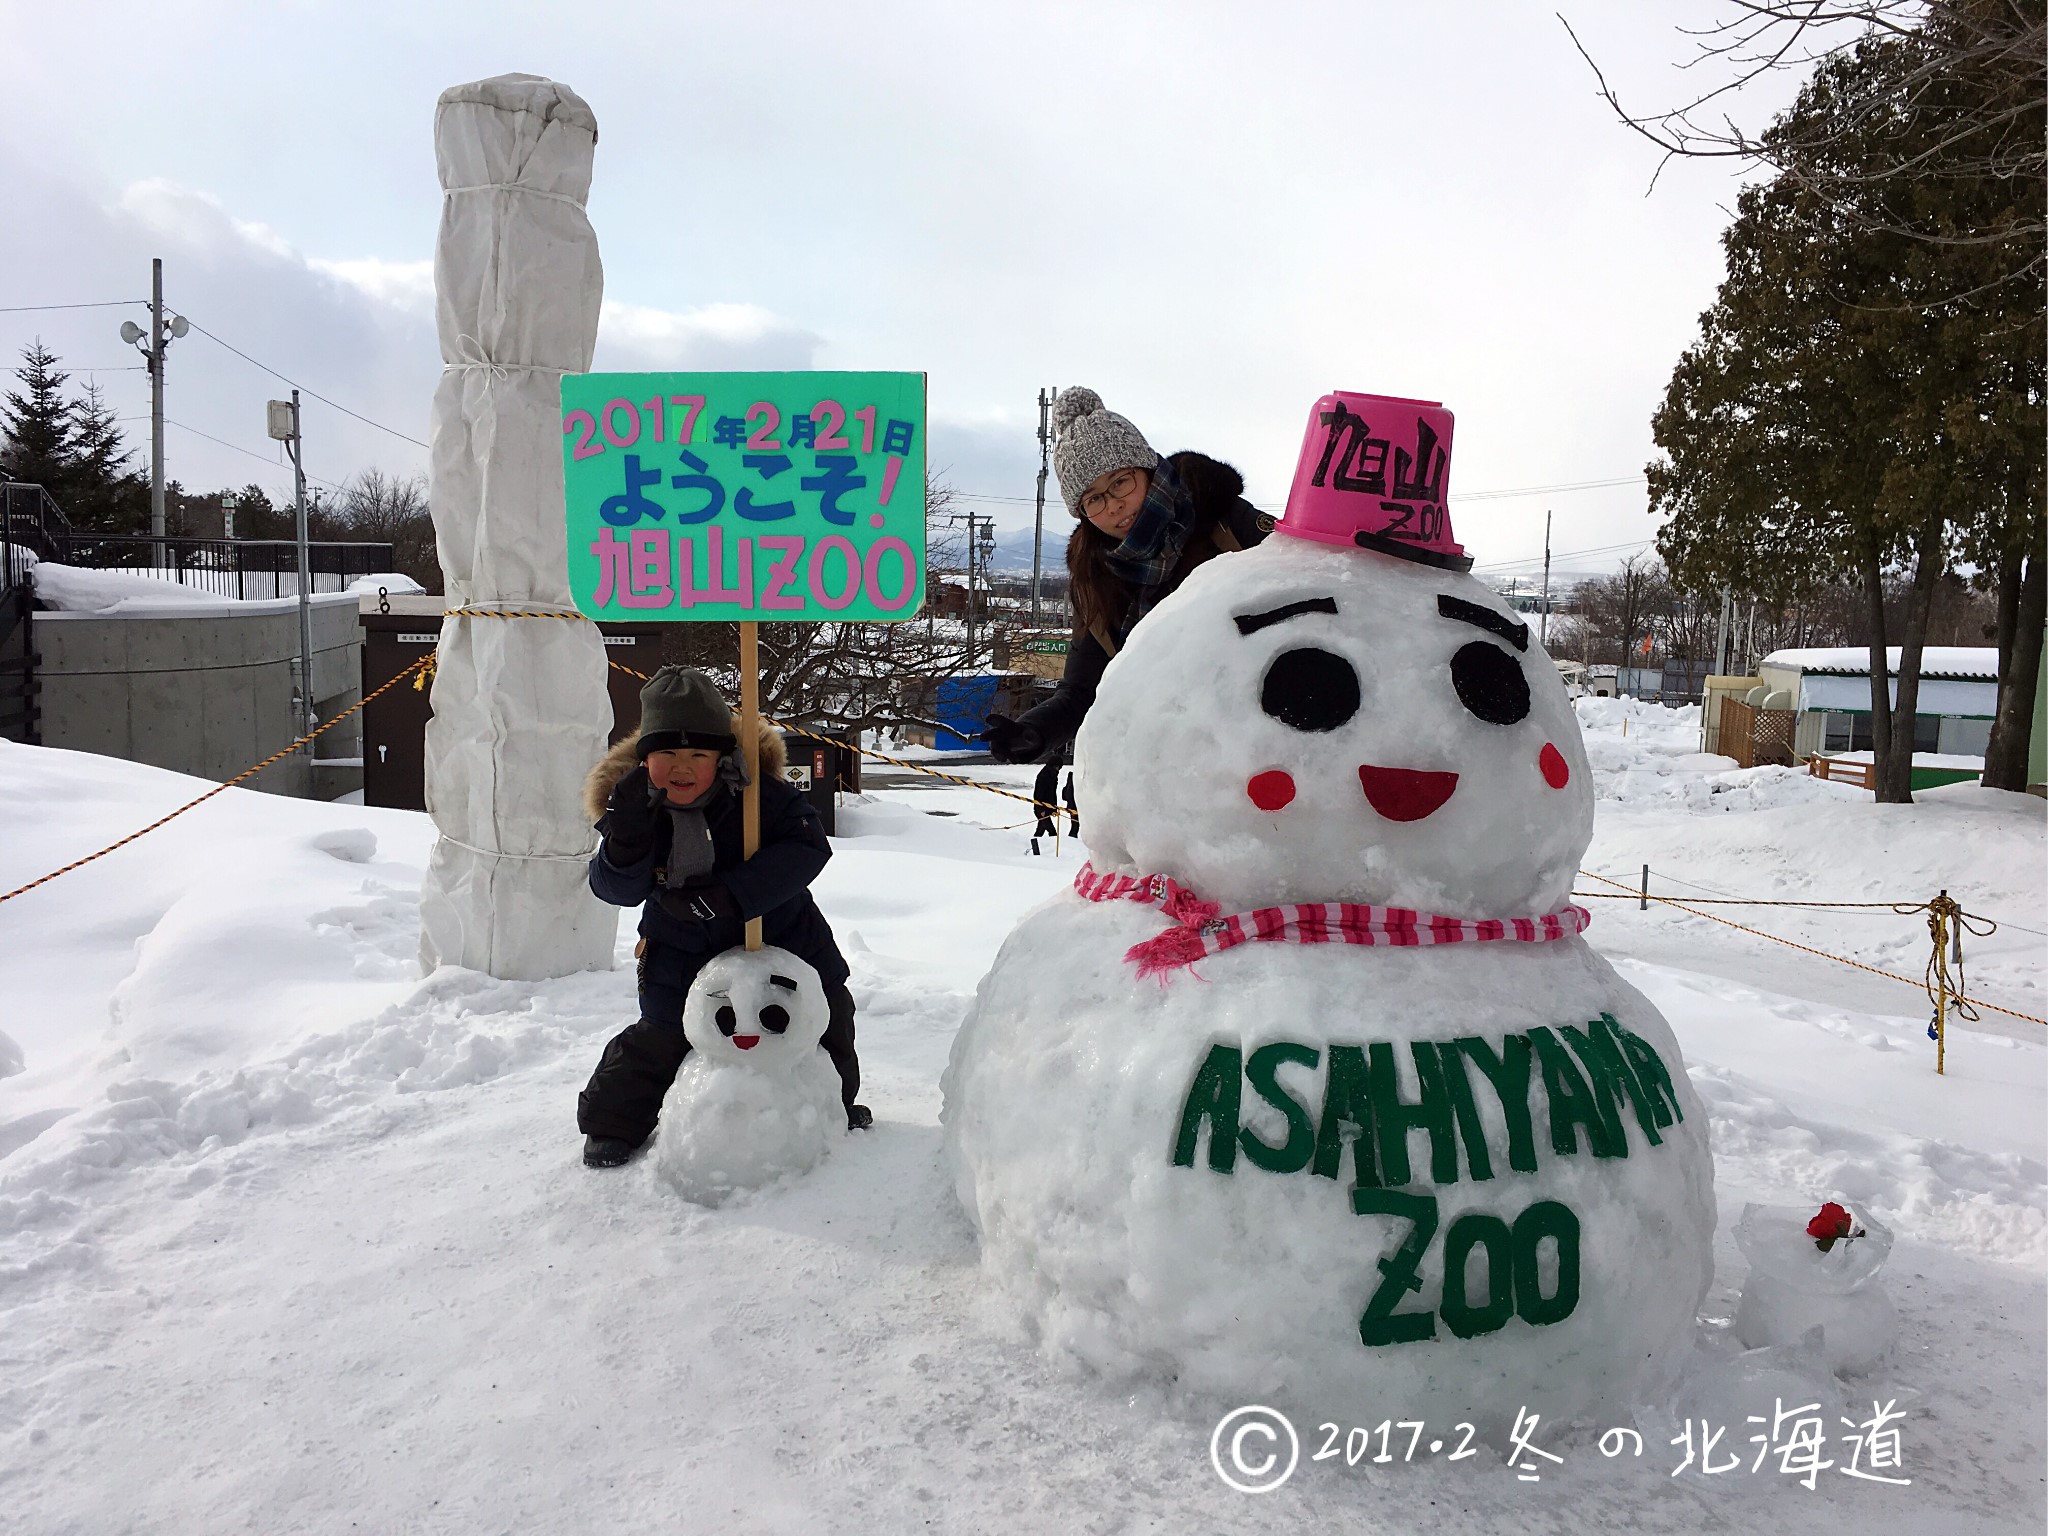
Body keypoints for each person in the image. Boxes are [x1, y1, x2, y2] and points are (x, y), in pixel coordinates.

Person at [576, 665, 870, 1169]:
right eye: (666, 754)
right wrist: (624, 840)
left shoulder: (760, 794)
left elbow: (808, 847)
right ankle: (614, 1123)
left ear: (723, 756)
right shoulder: (633, 806)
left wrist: (731, 897)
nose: (682, 767)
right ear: (645, 759)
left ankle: (832, 1103)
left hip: (786, 939)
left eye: (697, 754)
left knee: (824, 1022)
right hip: (680, 948)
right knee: (665, 1034)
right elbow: (614, 889)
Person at [982, 386, 1270, 765]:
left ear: (1147, 470)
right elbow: (1083, 690)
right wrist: (1034, 731)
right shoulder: (1096, 578)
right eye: (1094, 499)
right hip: (1177, 758)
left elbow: (1311, 582)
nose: (1114, 505)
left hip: (1265, 728)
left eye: (1120, 482)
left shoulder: (1223, 522)